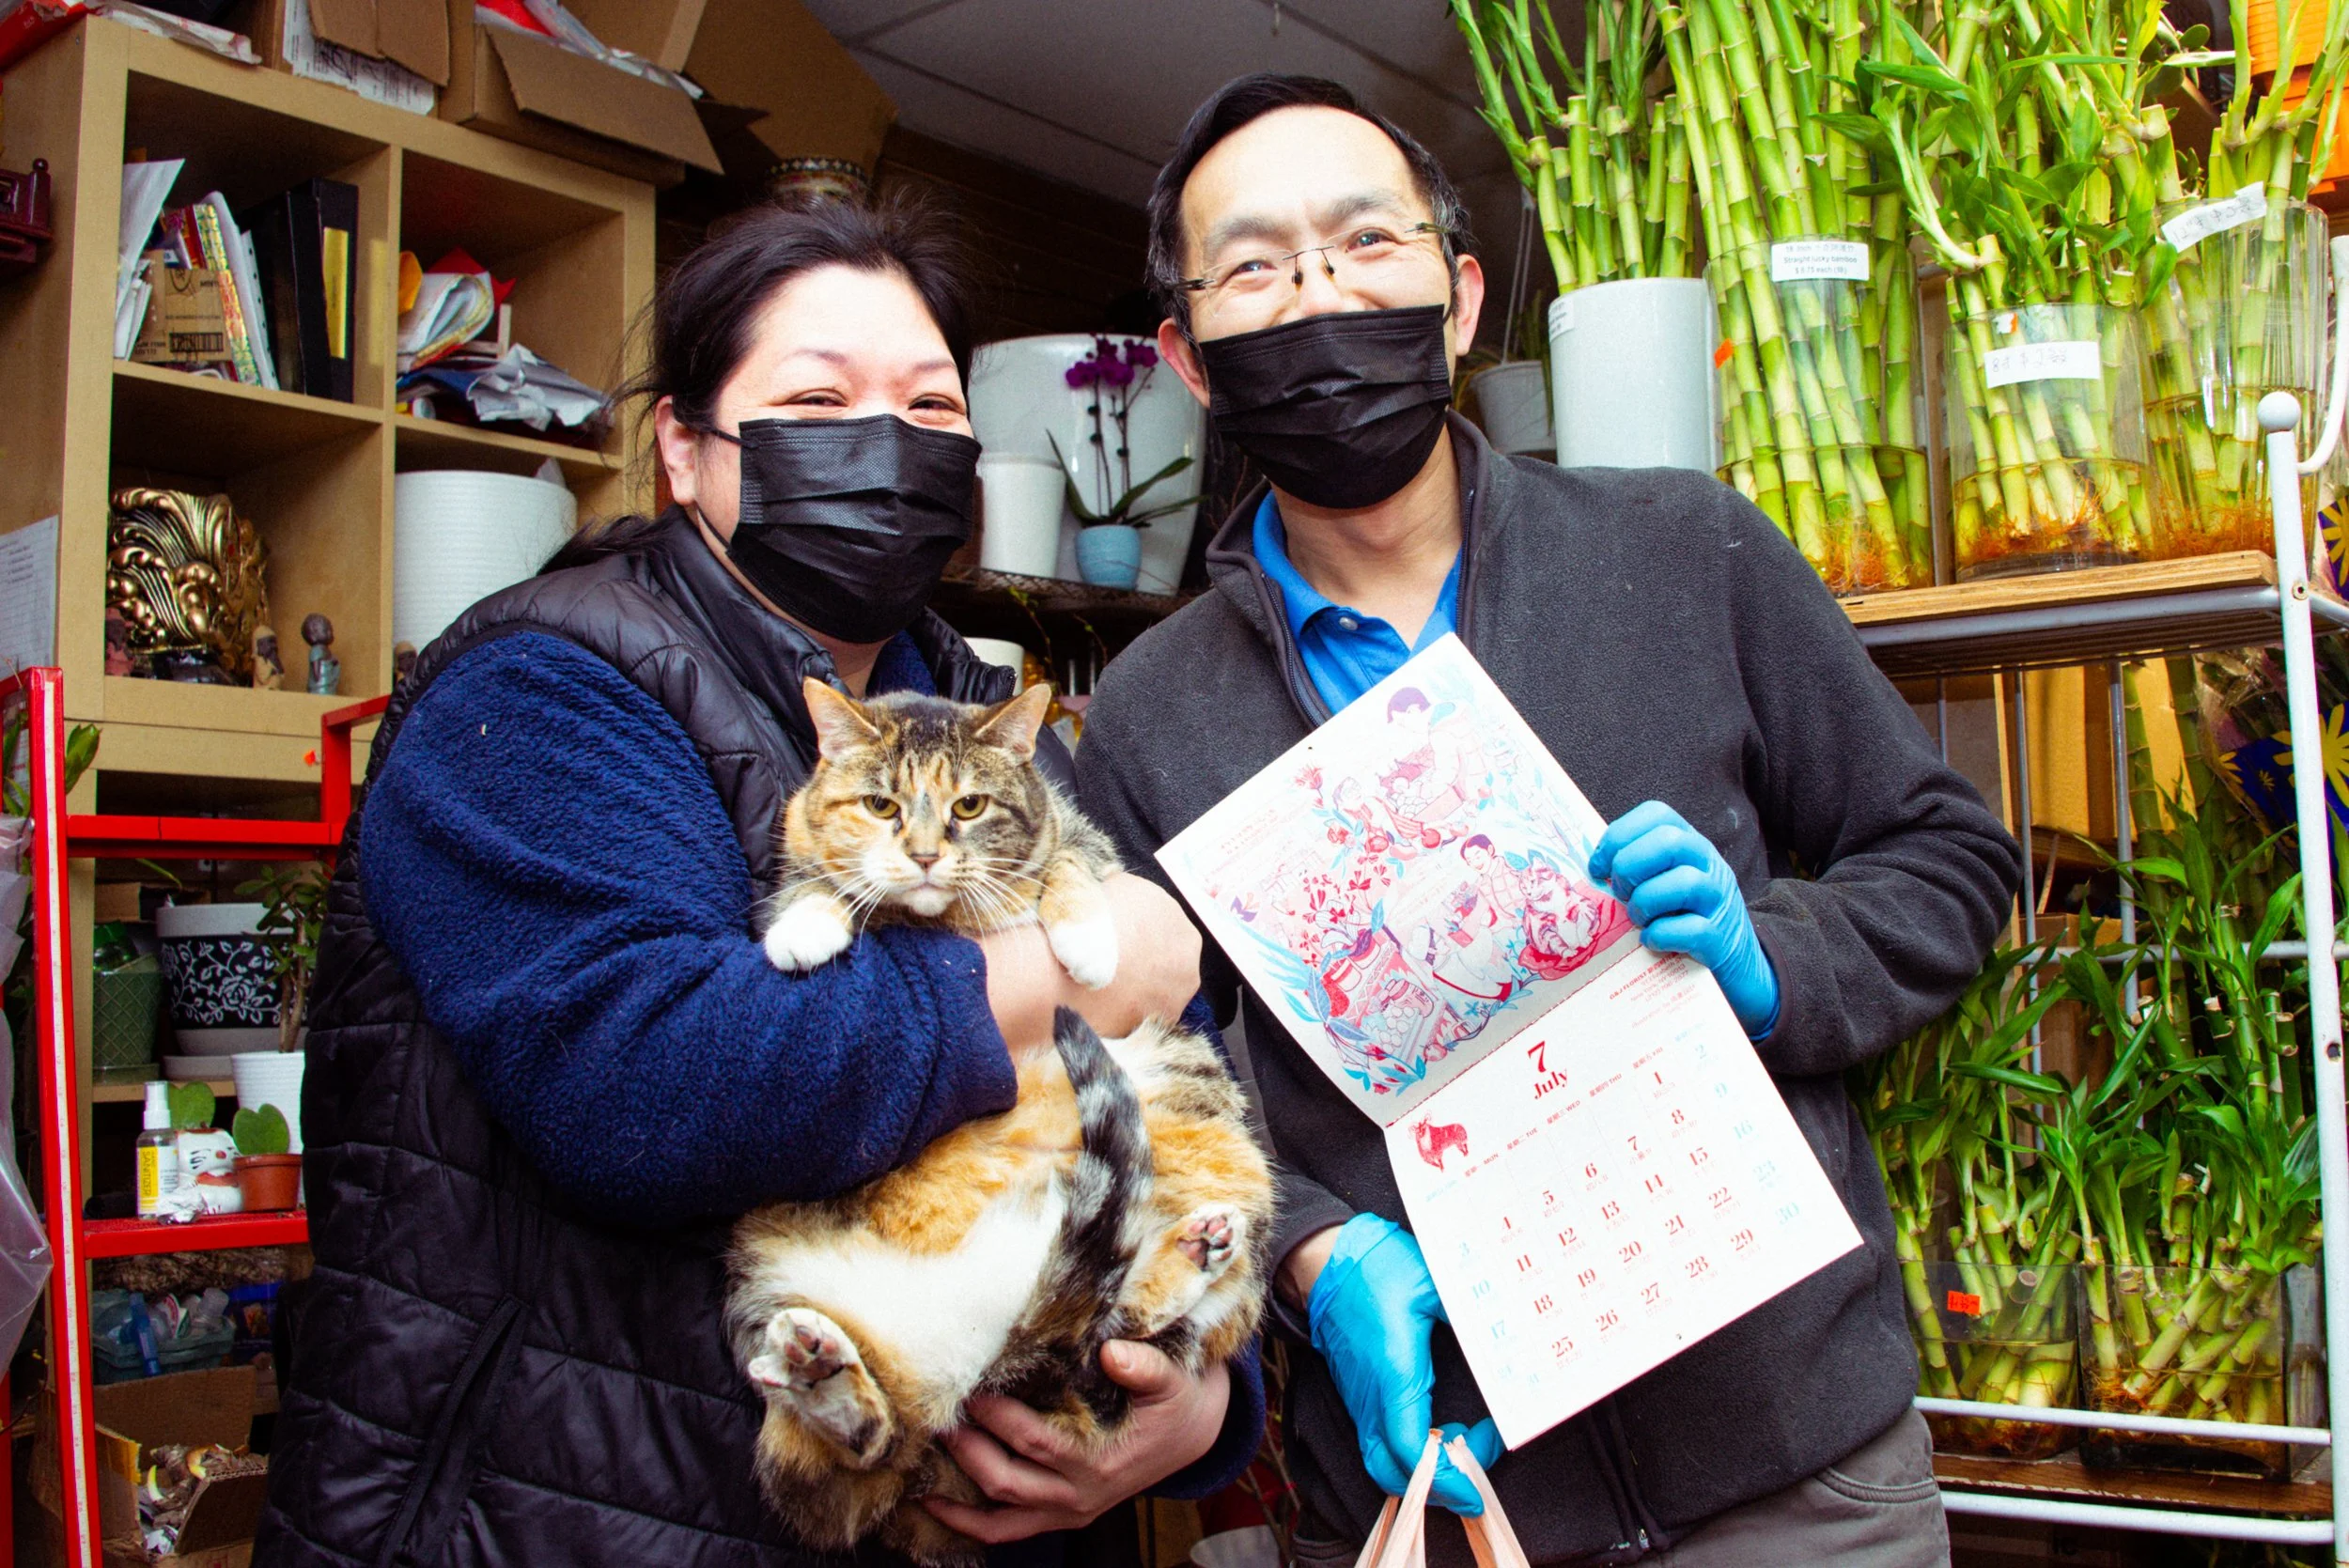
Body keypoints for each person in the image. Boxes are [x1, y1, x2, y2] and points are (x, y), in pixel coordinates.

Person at [1076, 75, 2024, 1567]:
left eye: (1364, 241)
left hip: (1802, 1482)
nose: (1320, 293)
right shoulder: (1144, 718)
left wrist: (1771, 959)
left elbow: (1952, 857)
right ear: (1193, 360)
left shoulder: (1685, 551)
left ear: (1457, 302)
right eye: (1256, 266)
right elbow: (1136, 1089)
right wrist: (1310, 1252)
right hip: (1441, 1503)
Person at [255, 200, 1262, 1568]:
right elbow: (653, 1085)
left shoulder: (976, 718)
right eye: (817, 398)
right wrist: (1044, 973)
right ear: (683, 447)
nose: (886, 445)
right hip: (569, 1519)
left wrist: (1199, 1402)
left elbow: (1166, 1087)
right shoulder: (542, 688)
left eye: (928, 405)